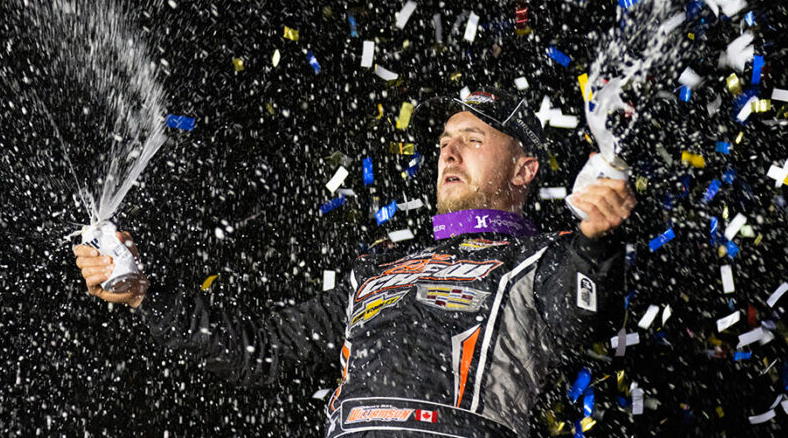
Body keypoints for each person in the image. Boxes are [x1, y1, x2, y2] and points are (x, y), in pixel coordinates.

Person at [74, 87, 636, 438]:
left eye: (471, 138)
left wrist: (596, 237)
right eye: (444, 140)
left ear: (523, 171)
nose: (448, 151)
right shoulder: (379, 268)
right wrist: (150, 295)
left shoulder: (544, 258)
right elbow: (260, 350)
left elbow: (581, 316)